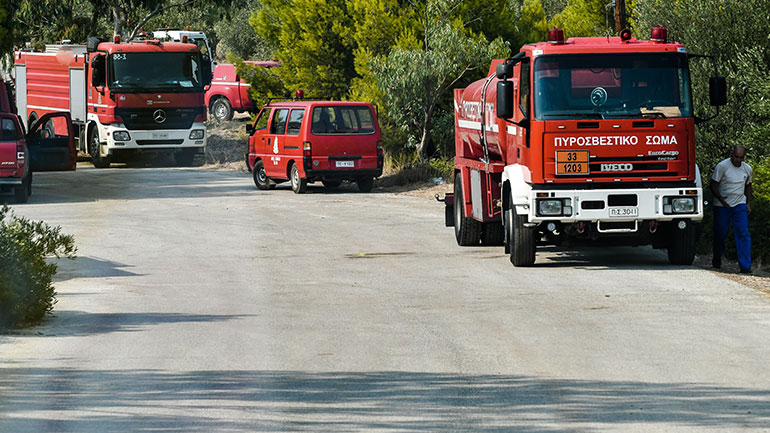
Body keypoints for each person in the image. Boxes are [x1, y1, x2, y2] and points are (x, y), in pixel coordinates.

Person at [710, 145, 754, 273]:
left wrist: (748, 203)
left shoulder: (747, 169)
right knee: (721, 233)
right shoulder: (722, 166)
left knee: (743, 233)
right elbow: (712, 185)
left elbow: (748, 186)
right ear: (731, 154)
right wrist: (721, 199)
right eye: (736, 157)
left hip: (739, 204)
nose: (738, 160)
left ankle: (745, 266)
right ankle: (717, 259)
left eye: (741, 158)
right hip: (722, 205)